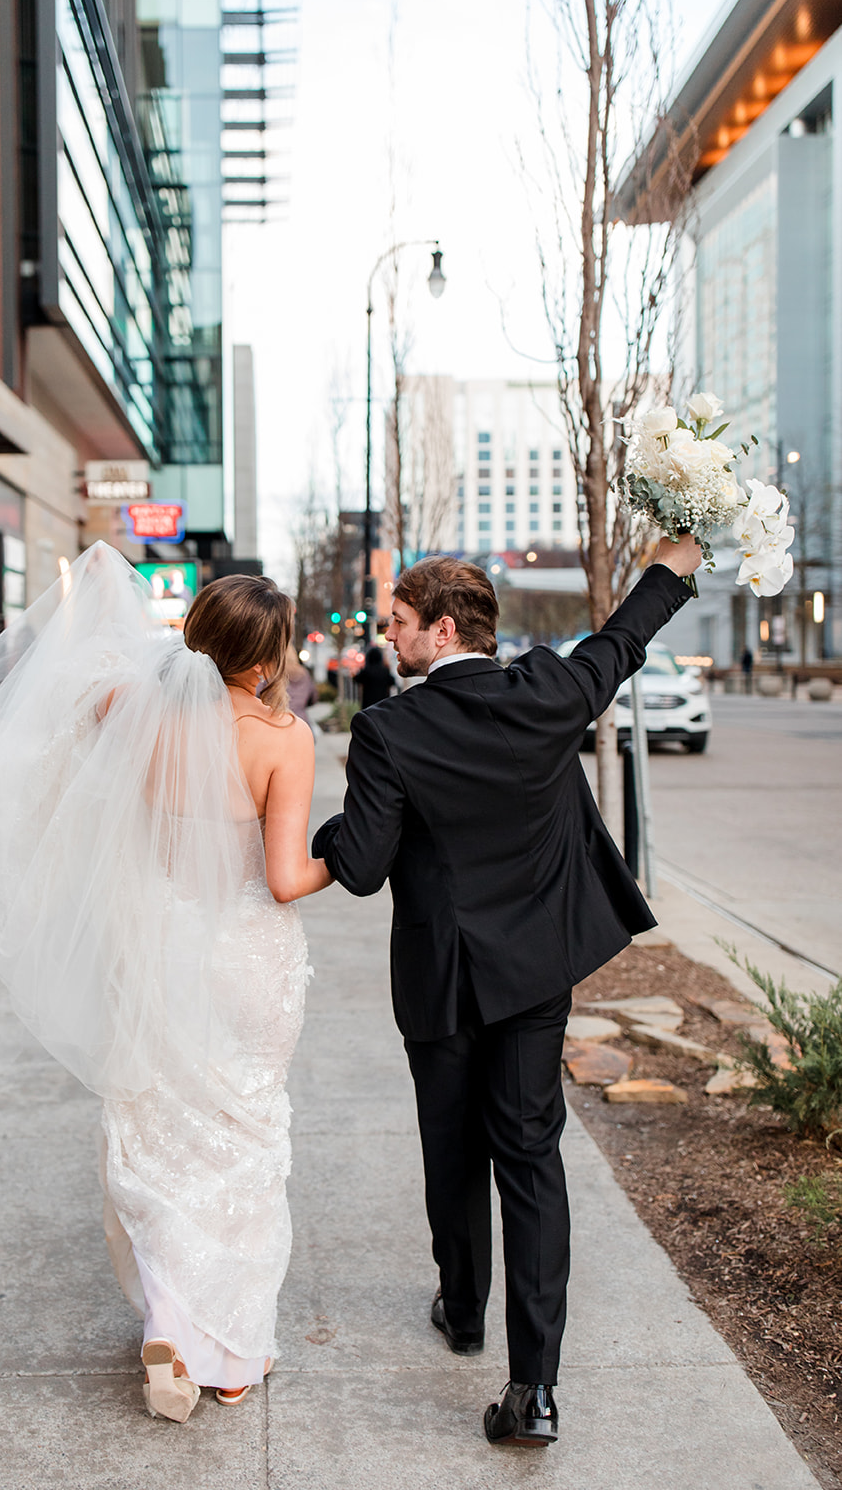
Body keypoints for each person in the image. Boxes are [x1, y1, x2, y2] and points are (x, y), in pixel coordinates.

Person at [0, 545, 331, 1425]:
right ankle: (226, 1358)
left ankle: (169, 1320)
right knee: (242, 1134)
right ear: (267, 663)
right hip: (241, 955)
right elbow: (282, 879)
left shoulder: (128, 711)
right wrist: (340, 860)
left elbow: (57, 742)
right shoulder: (283, 740)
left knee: (156, 1131)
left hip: (152, 945)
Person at [312, 533, 700, 1448]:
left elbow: (360, 868)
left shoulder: (389, 730)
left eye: (398, 624)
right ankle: (533, 1392)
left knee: (450, 1147)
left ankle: (464, 1306)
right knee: (529, 1160)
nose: (388, 635)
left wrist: (331, 821)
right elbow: (622, 638)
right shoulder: (551, 693)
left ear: (441, 631)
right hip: (533, 973)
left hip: (441, 977)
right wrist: (674, 566)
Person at [284, 641, 319, 726]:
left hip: (280, 721)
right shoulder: (304, 674)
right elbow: (313, 697)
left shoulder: (273, 675)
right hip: (301, 721)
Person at [354, 644, 398, 708]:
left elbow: (356, 679)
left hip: (368, 704)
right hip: (382, 703)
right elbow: (392, 681)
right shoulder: (385, 671)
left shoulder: (366, 671)